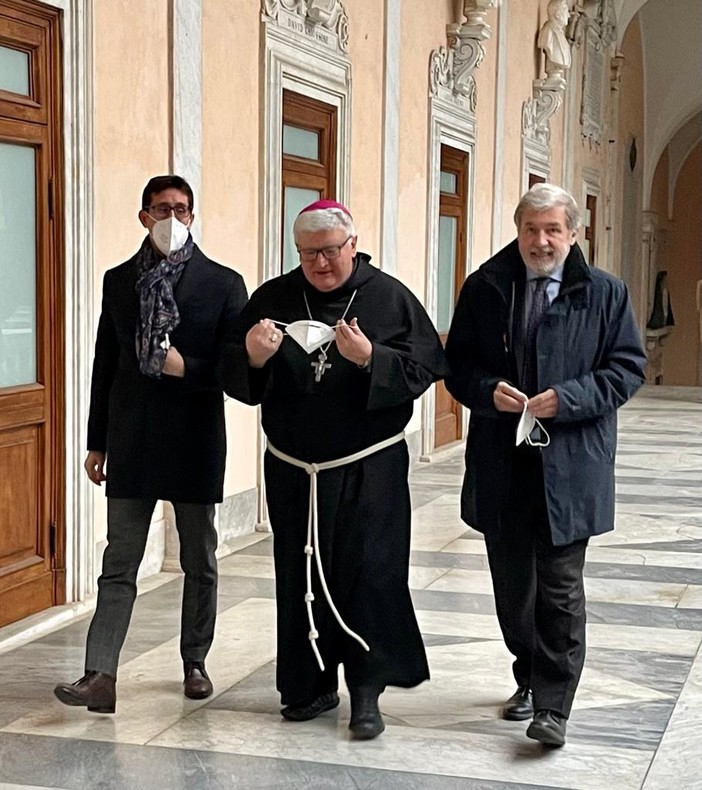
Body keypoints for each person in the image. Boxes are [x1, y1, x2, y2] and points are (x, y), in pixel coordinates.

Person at [219, 199, 448, 740]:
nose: (319, 264)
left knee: (368, 574)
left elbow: (427, 366)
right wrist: (252, 357)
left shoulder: (388, 298)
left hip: (368, 466)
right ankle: (308, 685)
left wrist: (373, 359)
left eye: (328, 251)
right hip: (295, 469)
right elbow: (231, 371)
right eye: (307, 254)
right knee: (299, 574)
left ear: (352, 245)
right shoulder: (273, 299)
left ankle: (366, 693)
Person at [445, 183, 646, 747]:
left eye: (553, 229)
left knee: (560, 587)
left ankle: (553, 706)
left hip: (571, 464)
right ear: (518, 230)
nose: (541, 241)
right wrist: (489, 392)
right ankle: (528, 675)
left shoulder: (605, 293)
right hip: (503, 461)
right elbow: (457, 367)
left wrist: (570, 399)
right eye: (531, 229)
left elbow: (627, 369)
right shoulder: (485, 287)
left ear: (574, 233)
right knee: (514, 589)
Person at [54, 175, 248, 714]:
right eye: (161, 208)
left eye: (181, 208)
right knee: (120, 560)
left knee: (198, 558)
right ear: (143, 216)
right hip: (132, 437)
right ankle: (100, 674)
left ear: (193, 215)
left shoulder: (223, 284)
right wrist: (97, 442)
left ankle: (194, 661)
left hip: (194, 438)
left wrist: (187, 368)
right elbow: (105, 364)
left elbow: (237, 370)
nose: (172, 217)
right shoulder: (119, 280)